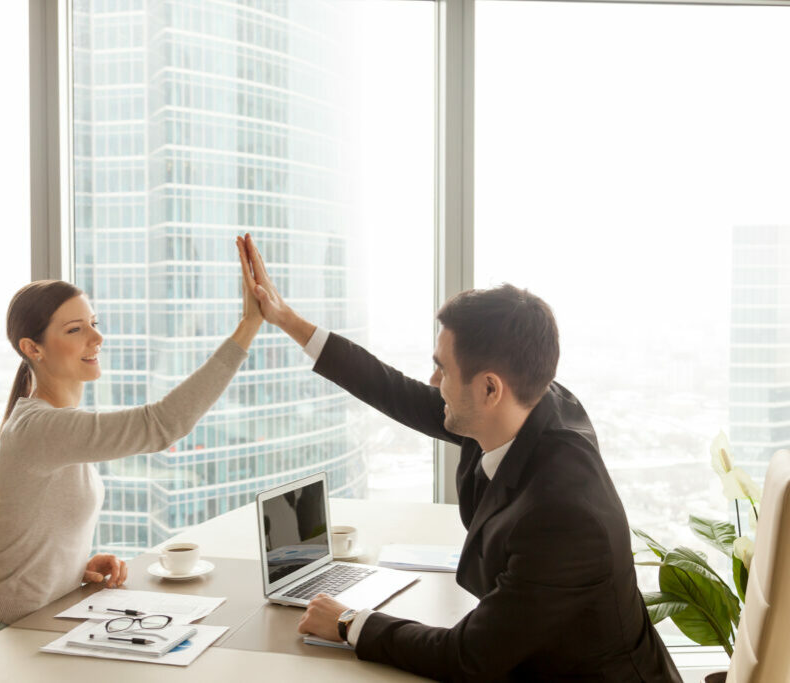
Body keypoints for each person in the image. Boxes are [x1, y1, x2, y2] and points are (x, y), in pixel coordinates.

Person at [241, 234, 681, 682]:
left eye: (443, 369)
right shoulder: (524, 408)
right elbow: (393, 390)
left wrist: (349, 622)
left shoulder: (564, 517)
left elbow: (466, 657)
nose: (433, 382)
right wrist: (287, 320)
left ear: (490, 389)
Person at [0, 238, 262, 662]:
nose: (97, 336)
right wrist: (248, 325)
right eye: (76, 330)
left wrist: (74, 570)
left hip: (32, 630)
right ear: (32, 349)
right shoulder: (40, 427)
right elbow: (163, 424)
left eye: (93, 322)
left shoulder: (54, 424)